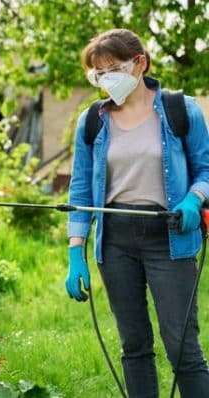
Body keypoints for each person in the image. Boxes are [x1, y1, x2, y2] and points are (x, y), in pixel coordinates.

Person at [65, 28, 209, 397]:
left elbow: (207, 169)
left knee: (182, 347)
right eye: (97, 74)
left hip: (170, 238)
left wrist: (194, 199)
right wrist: (74, 250)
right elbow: (80, 189)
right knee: (134, 346)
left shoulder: (181, 110)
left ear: (139, 63)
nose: (104, 79)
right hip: (115, 241)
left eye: (112, 69)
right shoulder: (92, 121)